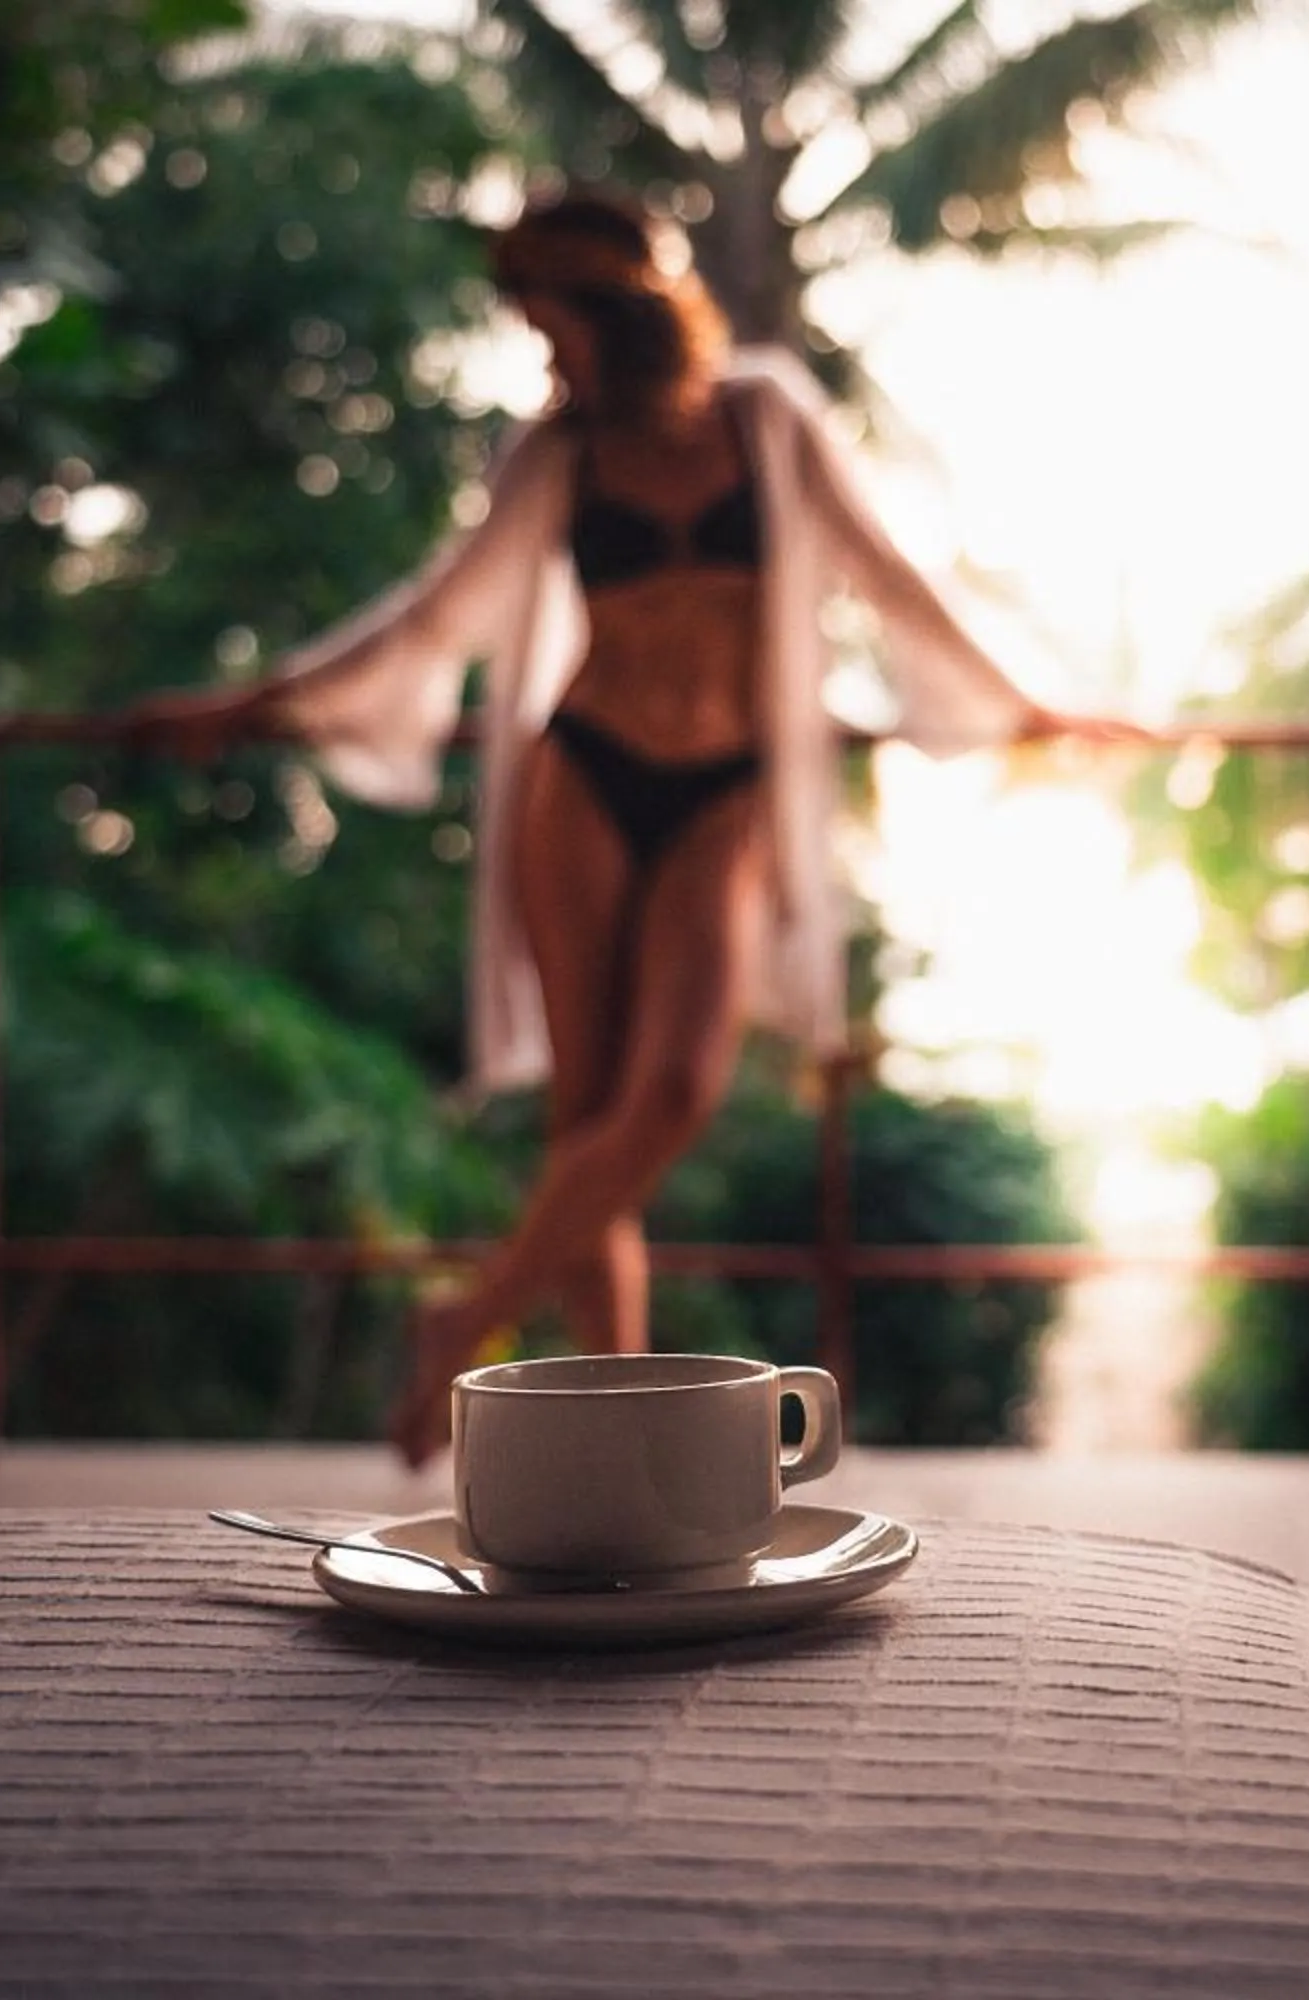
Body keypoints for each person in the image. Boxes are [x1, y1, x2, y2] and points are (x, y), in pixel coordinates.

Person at [129, 183, 1135, 1467]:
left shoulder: (763, 417)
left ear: (624, 312)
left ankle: (464, 1320)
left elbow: (890, 573)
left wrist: (1027, 704)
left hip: (727, 788)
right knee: (587, 1120)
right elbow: (436, 617)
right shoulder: (557, 452)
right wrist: (252, 704)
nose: (548, 358)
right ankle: (619, 1448)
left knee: (666, 1097)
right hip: (589, 773)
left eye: (558, 328)